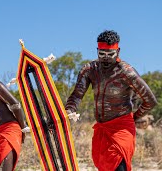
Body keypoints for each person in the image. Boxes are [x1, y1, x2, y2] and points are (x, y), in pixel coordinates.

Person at [65, 30, 157, 171]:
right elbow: (77, 95)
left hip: (122, 128)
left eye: (110, 54)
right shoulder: (90, 69)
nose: (106, 58)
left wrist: (134, 118)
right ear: (97, 50)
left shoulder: (126, 72)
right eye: (102, 54)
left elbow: (150, 100)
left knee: (120, 167)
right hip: (102, 129)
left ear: (118, 51)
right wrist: (69, 110)